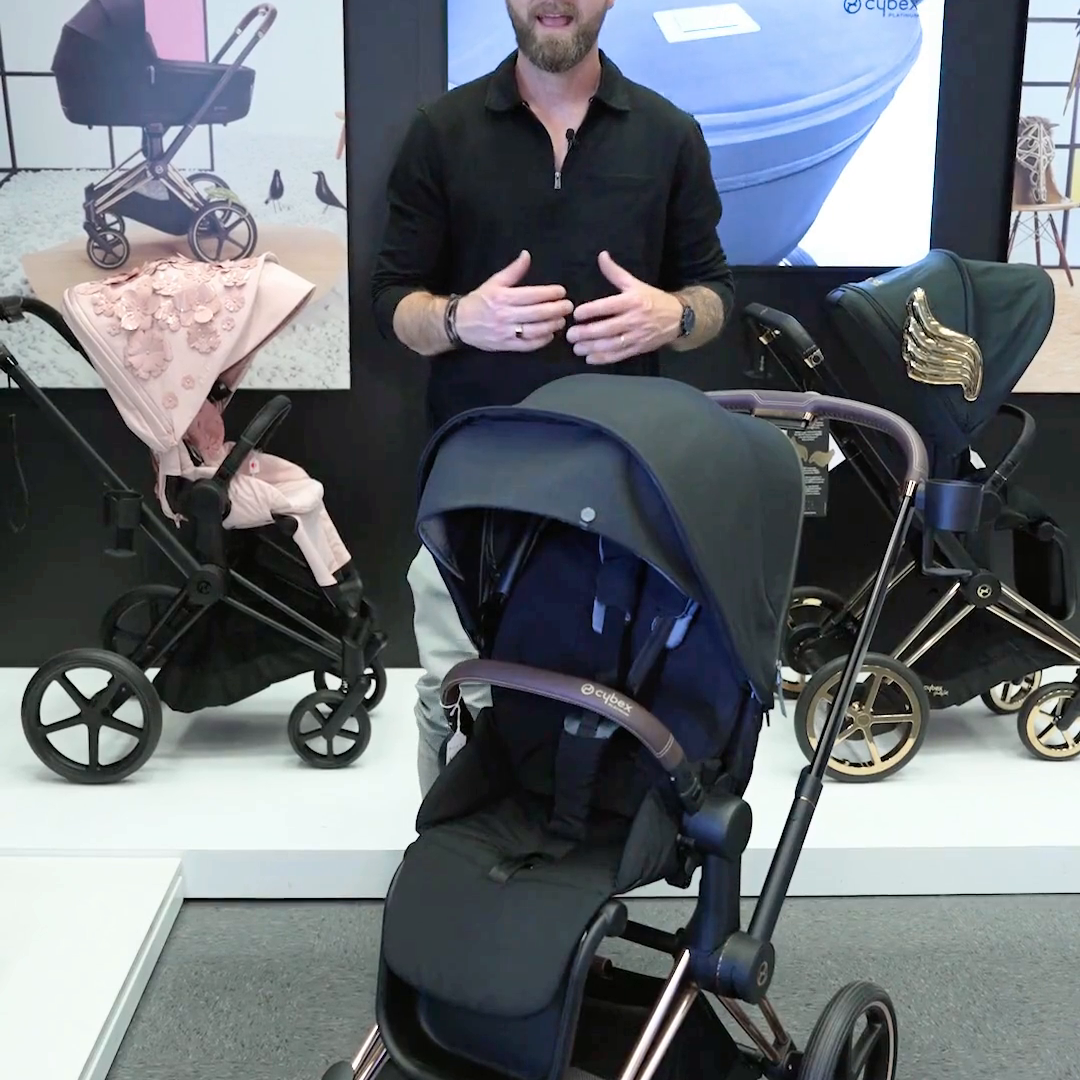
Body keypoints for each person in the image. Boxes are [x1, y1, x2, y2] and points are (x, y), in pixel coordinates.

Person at [371, 0, 736, 793]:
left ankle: (585, 843)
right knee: (457, 689)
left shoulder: (669, 134)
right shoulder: (442, 131)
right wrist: (460, 319)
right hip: (475, 483)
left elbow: (714, 294)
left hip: (619, 485)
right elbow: (393, 302)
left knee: (609, 693)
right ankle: (448, 842)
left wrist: (672, 316)